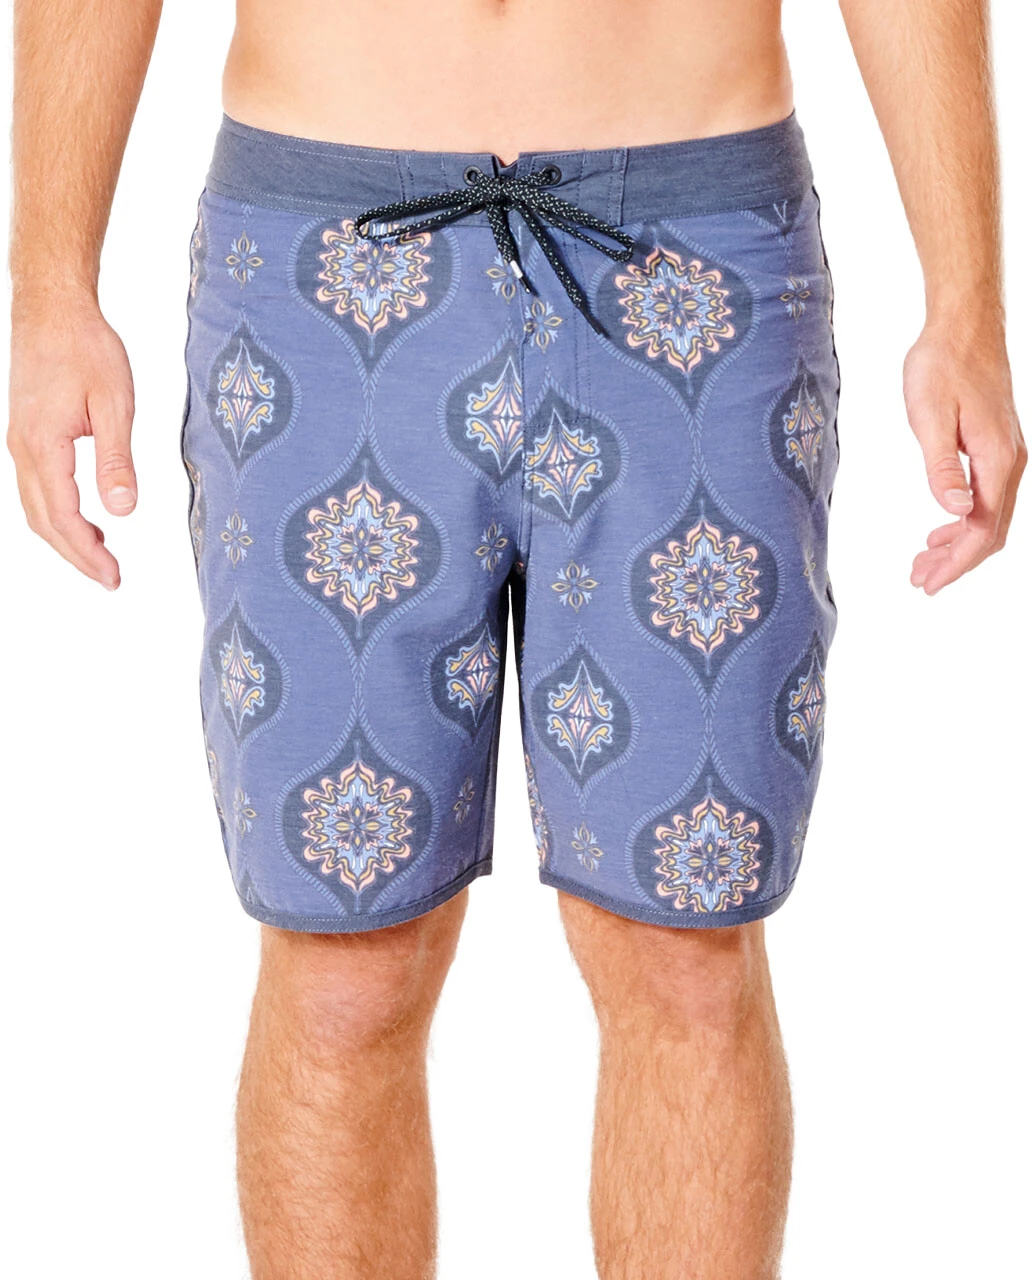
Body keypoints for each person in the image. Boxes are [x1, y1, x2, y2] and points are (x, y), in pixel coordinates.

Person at [6, 0, 1026, 1276]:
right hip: (322, 254)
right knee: (342, 961)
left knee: (689, 954)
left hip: (695, 253)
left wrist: (967, 300)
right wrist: (49, 287)